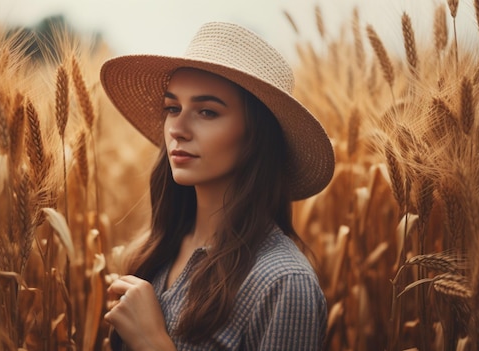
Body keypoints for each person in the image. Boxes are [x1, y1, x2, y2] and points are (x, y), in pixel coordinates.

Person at [99, 21, 335, 351]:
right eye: (172, 108)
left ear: (256, 136)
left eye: (207, 112)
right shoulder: (155, 253)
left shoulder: (282, 283)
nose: (176, 129)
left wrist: (152, 343)